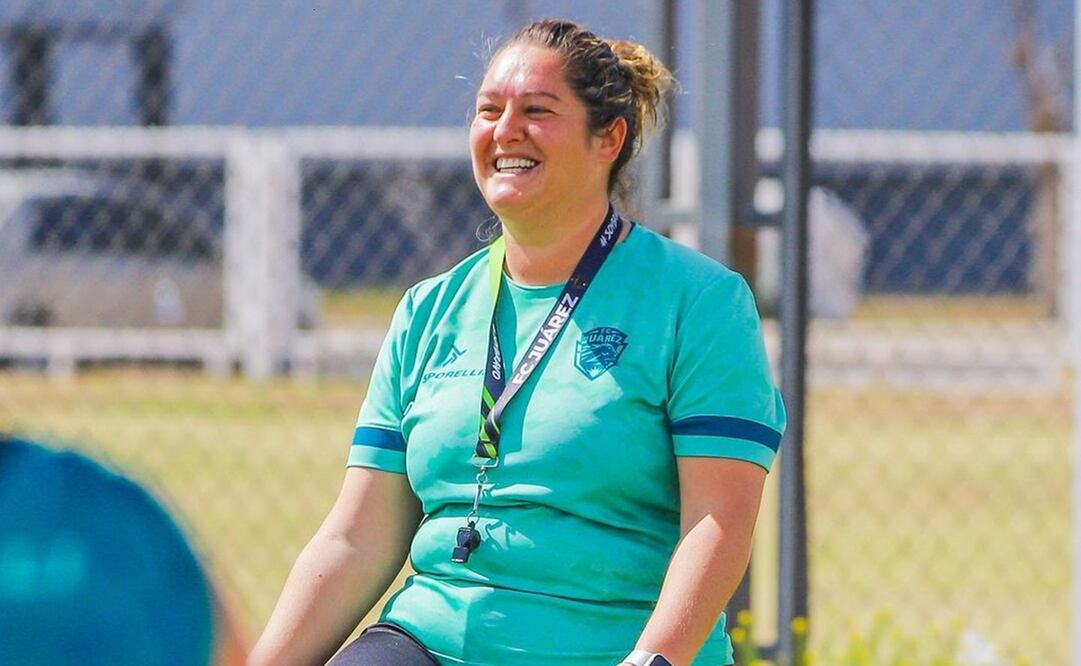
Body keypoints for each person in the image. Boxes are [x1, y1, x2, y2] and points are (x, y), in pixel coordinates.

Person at [250, 18, 786, 666]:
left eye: (537, 111)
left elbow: (719, 521)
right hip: (430, 642)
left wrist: (654, 659)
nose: (506, 130)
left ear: (608, 138)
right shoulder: (427, 311)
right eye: (489, 110)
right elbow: (356, 538)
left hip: (608, 647)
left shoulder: (699, 302)